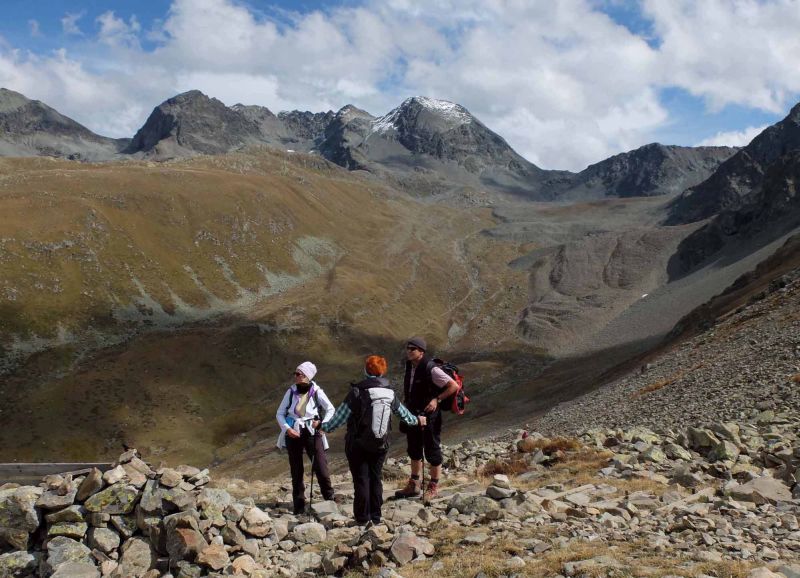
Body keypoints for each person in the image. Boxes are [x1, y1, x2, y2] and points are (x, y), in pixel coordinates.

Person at [322, 355, 424, 526]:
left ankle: (362, 519)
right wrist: (418, 420)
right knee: (376, 479)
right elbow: (405, 416)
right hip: (380, 444)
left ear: (366, 370)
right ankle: (376, 517)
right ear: (382, 372)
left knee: (361, 480)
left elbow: (338, 419)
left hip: (357, 444)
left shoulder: (357, 392)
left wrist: (322, 426)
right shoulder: (390, 393)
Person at [395, 337, 460, 503]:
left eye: (412, 349)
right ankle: (414, 484)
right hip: (413, 414)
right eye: (408, 348)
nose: (408, 351)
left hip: (429, 415)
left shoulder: (431, 369)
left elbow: (453, 386)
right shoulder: (410, 365)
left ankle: (433, 486)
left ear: (421, 352)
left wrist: (437, 399)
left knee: (432, 448)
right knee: (414, 448)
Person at [276, 361, 336, 514]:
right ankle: (299, 505)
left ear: (307, 376)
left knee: (321, 466)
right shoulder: (290, 391)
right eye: (295, 374)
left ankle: (329, 497)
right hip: (293, 432)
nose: (295, 377)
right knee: (296, 470)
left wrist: (322, 423)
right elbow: (280, 413)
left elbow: (330, 409)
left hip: (312, 431)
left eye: (298, 374)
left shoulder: (316, 391)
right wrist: (287, 429)